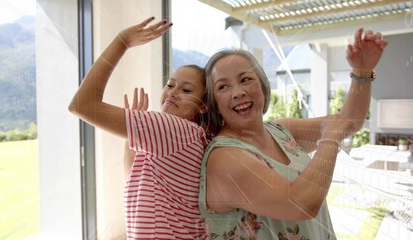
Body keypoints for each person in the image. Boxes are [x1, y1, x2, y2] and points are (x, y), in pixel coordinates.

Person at [198, 28, 387, 239]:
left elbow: (349, 122)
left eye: (245, 79)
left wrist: (362, 72)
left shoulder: (281, 130)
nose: (238, 92)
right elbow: (301, 204)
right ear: (214, 103)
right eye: (223, 87)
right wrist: (329, 139)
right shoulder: (225, 157)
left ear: (262, 84)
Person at [68, 17, 210, 239]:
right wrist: (133, 135)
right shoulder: (188, 138)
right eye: (170, 84)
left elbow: (81, 105)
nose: (172, 92)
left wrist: (122, 42)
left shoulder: (177, 130)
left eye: (186, 90)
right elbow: (133, 178)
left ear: (202, 105)